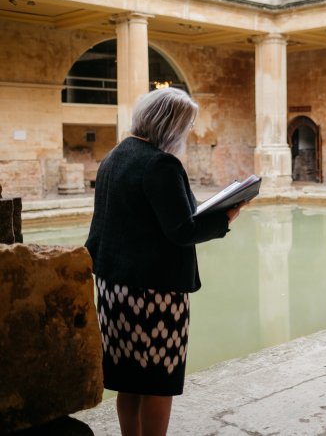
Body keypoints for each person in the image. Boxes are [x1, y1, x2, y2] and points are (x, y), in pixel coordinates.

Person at [86, 87, 245, 436]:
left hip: (114, 287)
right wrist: (226, 217)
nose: (186, 134)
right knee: (159, 380)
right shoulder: (161, 163)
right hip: (152, 292)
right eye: (185, 126)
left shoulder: (115, 156)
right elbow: (182, 230)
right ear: (169, 126)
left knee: (128, 378)